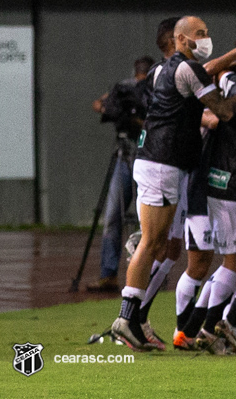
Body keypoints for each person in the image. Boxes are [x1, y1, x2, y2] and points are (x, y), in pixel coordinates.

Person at [111, 15, 236, 351]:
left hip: (159, 163)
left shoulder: (164, 68)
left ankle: (134, 319)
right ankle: (125, 319)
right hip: (162, 164)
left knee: (160, 246)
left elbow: (202, 72)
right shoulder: (187, 70)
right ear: (180, 39)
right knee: (152, 244)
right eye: (199, 34)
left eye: (206, 32)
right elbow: (225, 111)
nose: (205, 39)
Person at [87, 55, 154, 293]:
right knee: (113, 215)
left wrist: (138, 120)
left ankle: (147, 273)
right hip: (123, 155)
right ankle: (108, 274)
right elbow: (99, 105)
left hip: (147, 155)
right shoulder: (124, 88)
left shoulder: (155, 88)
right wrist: (113, 108)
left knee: (145, 218)